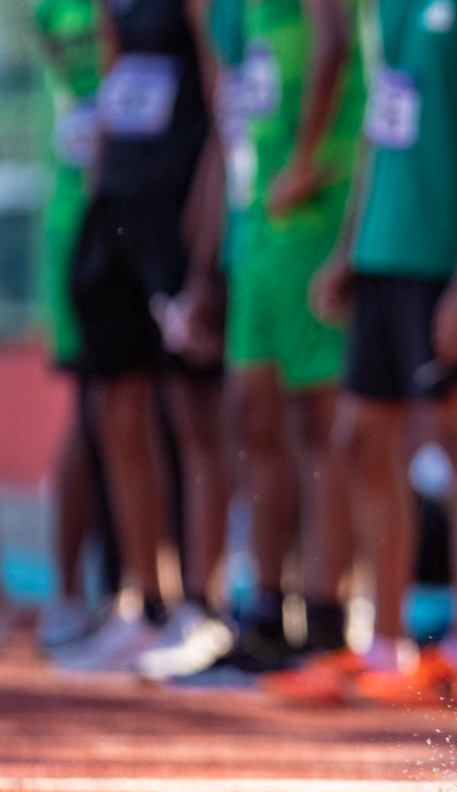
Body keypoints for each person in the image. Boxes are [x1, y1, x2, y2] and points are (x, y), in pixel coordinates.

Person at [274, 0, 457, 704]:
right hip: (383, 253)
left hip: (443, 261)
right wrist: (351, 249)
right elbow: (381, 129)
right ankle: (387, 645)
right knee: (357, 441)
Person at [60, 0, 232, 673]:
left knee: (194, 411)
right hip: (117, 210)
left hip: (177, 206)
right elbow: (111, 79)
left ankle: (203, 607)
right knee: (113, 407)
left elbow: (223, 108)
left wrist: (201, 234)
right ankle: (145, 601)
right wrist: (102, 182)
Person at [195, 0, 363, 675]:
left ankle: (327, 615)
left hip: (311, 215)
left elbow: (336, 42)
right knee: (251, 417)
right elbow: (229, 118)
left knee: (320, 422)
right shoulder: (233, 15)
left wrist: (301, 159)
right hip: (256, 227)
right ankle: (266, 608)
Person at [30, 0, 124, 651]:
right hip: (79, 220)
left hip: (125, 208)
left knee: (125, 415)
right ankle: (67, 594)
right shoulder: (59, 13)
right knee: (94, 408)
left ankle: (114, 594)